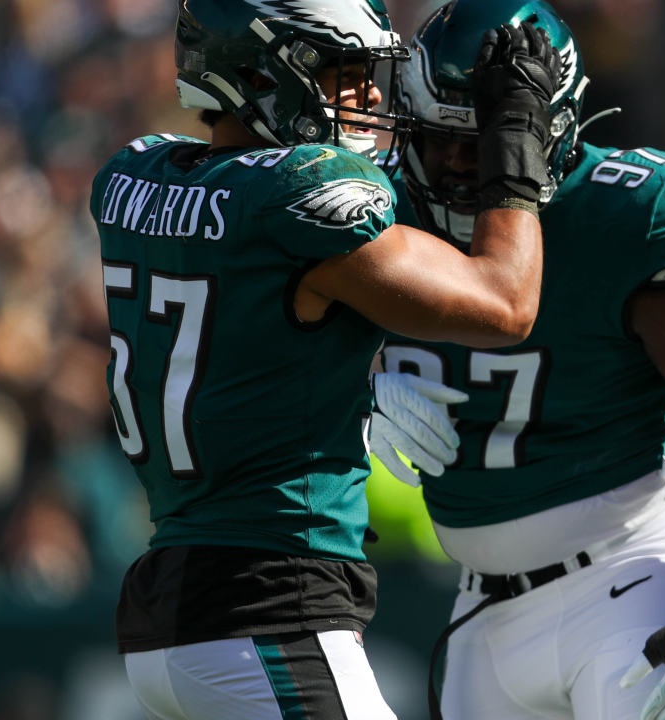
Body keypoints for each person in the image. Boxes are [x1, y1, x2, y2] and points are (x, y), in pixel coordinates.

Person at [89, 1, 565, 718]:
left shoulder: (133, 177)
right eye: (343, 73)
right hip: (270, 606)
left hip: (172, 606)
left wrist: (366, 373)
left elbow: (256, 327)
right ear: (256, 72)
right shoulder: (299, 195)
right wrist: (515, 146)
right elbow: (505, 304)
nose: (371, 95)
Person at [368, 2, 665, 720]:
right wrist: (355, 390)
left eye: (484, 144)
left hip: (639, 571)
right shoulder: (372, 209)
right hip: (482, 606)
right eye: (435, 139)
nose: (454, 166)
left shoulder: (629, 219)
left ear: (551, 138)